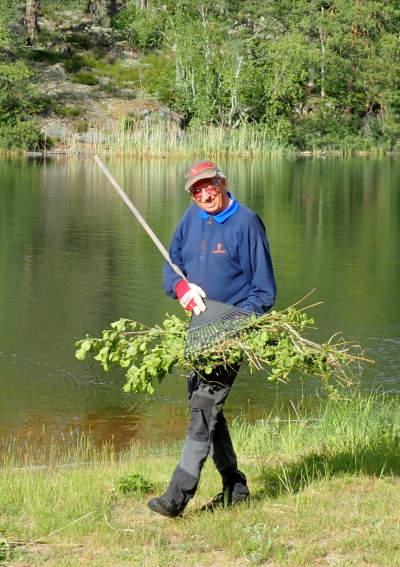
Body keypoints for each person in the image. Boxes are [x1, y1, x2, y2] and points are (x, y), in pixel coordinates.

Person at [147, 160, 276, 517]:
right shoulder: (191, 218)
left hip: (231, 332)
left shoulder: (246, 223)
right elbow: (170, 267)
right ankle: (236, 488)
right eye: (196, 189)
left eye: (209, 185)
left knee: (203, 409)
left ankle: (176, 498)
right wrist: (181, 288)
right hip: (198, 328)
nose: (204, 193)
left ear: (222, 182)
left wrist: (232, 327)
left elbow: (263, 293)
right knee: (202, 405)